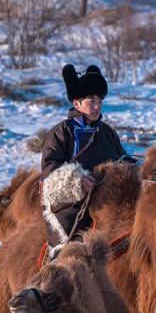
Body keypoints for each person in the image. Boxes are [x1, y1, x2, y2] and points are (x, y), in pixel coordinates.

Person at [39, 64, 128, 258]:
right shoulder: (61, 132)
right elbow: (49, 168)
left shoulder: (107, 132)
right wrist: (77, 181)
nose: (97, 106)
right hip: (72, 202)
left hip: (107, 197)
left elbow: (123, 160)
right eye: (91, 100)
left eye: (100, 100)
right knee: (69, 253)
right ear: (77, 103)